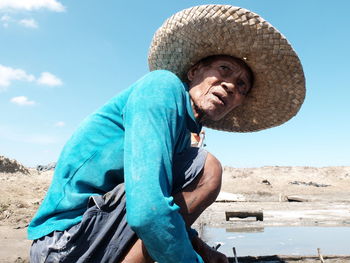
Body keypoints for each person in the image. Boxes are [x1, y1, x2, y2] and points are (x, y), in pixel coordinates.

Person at [28, 4, 305, 263]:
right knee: (207, 168)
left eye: (241, 85)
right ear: (195, 71)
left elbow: (165, 204)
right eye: (224, 69)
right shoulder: (162, 86)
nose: (231, 85)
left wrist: (202, 249)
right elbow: (149, 212)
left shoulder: (181, 132)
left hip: (82, 239)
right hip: (64, 243)